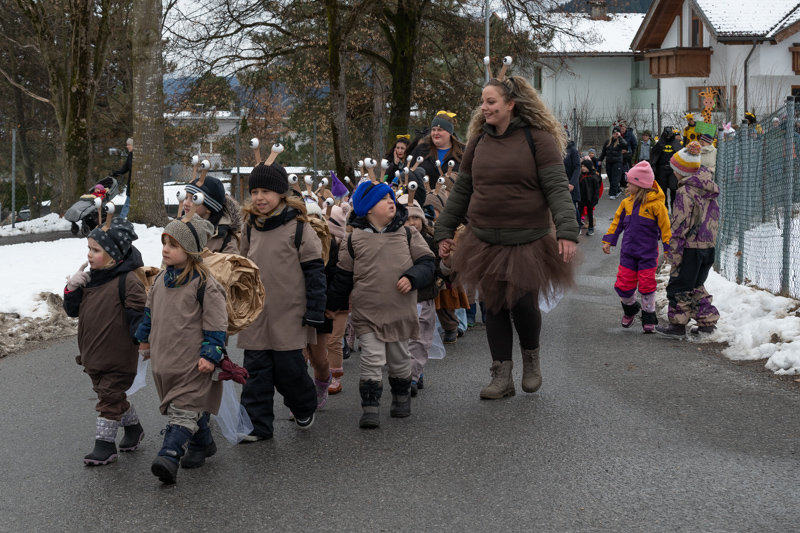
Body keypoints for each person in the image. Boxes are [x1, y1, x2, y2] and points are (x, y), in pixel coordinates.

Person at [434, 72, 578, 400]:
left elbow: (557, 189)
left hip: (528, 239)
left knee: (524, 303)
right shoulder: (477, 142)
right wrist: (444, 230)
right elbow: (462, 191)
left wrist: (567, 232)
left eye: (491, 102)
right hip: (484, 238)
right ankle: (501, 376)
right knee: (494, 305)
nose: (483, 108)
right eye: (482, 102)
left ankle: (531, 359)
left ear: (511, 104)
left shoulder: (538, 139)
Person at [326, 181, 435, 429]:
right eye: (383, 199)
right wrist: (331, 305)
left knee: (399, 358)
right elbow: (343, 277)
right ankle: (370, 406)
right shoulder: (353, 239)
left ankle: (401, 397)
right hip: (367, 313)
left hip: (399, 311)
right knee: (371, 358)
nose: (391, 202)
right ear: (367, 208)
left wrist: (412, 277)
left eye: (391, 198)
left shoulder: (408, 234)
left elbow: (427, 262)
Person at [135, 216, 228, 484]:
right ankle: (202, 443)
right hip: (165, 360)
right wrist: (144, 339)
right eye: (164, 242)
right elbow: (150, 313)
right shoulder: (161, 279)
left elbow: (216, 323)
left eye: (173, 245)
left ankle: (169, 456)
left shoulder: (204, 284)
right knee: (182, 406)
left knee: (184, 408)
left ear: (190, 250)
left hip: (192, 362)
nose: (165, 249)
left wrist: (211, 355)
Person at [236, 162, 324, 441]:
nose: (259, 197)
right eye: (255, 192)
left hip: (290, 313)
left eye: (266, 191)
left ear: (281, 193)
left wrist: (315, 308)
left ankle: (303, 405)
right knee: (255, 373)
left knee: (290, 370)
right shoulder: (250, 227)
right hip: (257, 314)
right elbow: (242, 268)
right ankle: (257, 425)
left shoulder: (298, 227)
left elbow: (314, 271)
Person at [63, 217, 146, 466]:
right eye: (89, 248)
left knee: (108, 399)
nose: (89, 255)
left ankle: (105, 445)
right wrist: (72, 289)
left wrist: (144, 340)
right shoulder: (91, 278)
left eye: (96, 250)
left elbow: (139, 316)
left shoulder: (127, 281)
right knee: (111, 396)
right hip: (93, 356)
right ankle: (134, 429)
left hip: (119, 358)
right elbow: (72, 310)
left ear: (113, 255)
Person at [656, 142, 720, 338]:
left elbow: (679, 225)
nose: (673, 172)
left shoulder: (685, 192)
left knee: (679, 286)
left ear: (681, 171)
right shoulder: (709, 190)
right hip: (707, 246)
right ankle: (707, 321)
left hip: (689, 247)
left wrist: (674, 252)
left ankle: (677, 325)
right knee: (696, 285)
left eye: (675, 169)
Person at [602, 162, 671, 333]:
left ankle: (649, 317)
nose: (627, 185)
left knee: (647, 285)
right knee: (623, 286)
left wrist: (668, 249)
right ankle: (631, 309)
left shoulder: (657, 206)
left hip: (648, 254)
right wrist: (609, 240)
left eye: (630, 182)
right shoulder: (626, 203)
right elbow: (617, 223)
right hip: (628, 253)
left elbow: (666, 229)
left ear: (640, 184)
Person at [408, 111, 465, 199]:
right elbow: (407, 171)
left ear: (450, 132)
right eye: (433, 129)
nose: (435, 133)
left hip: (453, 202)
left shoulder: (463, 152)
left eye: (440, 130)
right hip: (424, 201)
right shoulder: (421, 149)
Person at [325, 205, 350, 394]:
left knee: (333, 340)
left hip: (341, 302)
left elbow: (344, 278)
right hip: (320, 299)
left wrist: (333, 302)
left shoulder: (346, 246)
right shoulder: (318, 243)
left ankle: (335, 378)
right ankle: (322, 375)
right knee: (319, 342)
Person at [183, 175, 243, 254]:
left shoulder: (225, 241)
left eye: (194, 199)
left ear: (209, 208)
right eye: (186, 197)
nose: (186, 203)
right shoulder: (178, 228)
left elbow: (231, 261)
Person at [649, 127, 683, 212]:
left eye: (669, 135)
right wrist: (653, 165)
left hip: (673, 169)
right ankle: (665, 207)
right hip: (662, 169)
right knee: (663, 189)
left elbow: (681, 155)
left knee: (673, 187)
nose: (668, 137)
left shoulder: (676, 143)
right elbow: (654, 155)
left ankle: (673, 206)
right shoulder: (660, 144)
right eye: (666, 135)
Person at [599, 126, 628, 199]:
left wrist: (620, 137)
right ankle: (617, 190)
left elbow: (625, 146)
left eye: (617, 133)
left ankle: (612, 194)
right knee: (611, 178)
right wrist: (600, 160)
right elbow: (604, 152)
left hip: (617, 162)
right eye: (614, 133)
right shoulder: (608, 142)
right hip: (609, 162)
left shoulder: (620, 141)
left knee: (615, 179)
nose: (615, 135)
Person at [111, 138, 133, 219]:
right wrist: (117, 173)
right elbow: (125, 167)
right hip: (131, 183)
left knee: (128, 202)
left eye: (129, 145)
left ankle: (121, 217)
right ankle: (122, 217)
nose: (127, 146)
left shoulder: (137, 156)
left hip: (135, 184)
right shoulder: (130, 155)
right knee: (128, 201)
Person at [578, 160, 600, 236]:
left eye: (584, 166)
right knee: (579, 212)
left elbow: (597, 189)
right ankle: (578, 228)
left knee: (590, 213)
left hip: (590, 198)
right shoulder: (581, 176)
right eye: (582, 166)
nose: (582, 168)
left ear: (589, 167)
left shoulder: (594, 177)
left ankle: (591, 228)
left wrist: (595, 198)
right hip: (581, 198)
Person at [564, 138, 581, 226]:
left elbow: (577, 167)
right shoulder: (557, 149)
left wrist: (572, 183)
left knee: (572, 207)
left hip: (570, 184)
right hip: (561, 183)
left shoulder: (573, 150)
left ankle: (577, 226)